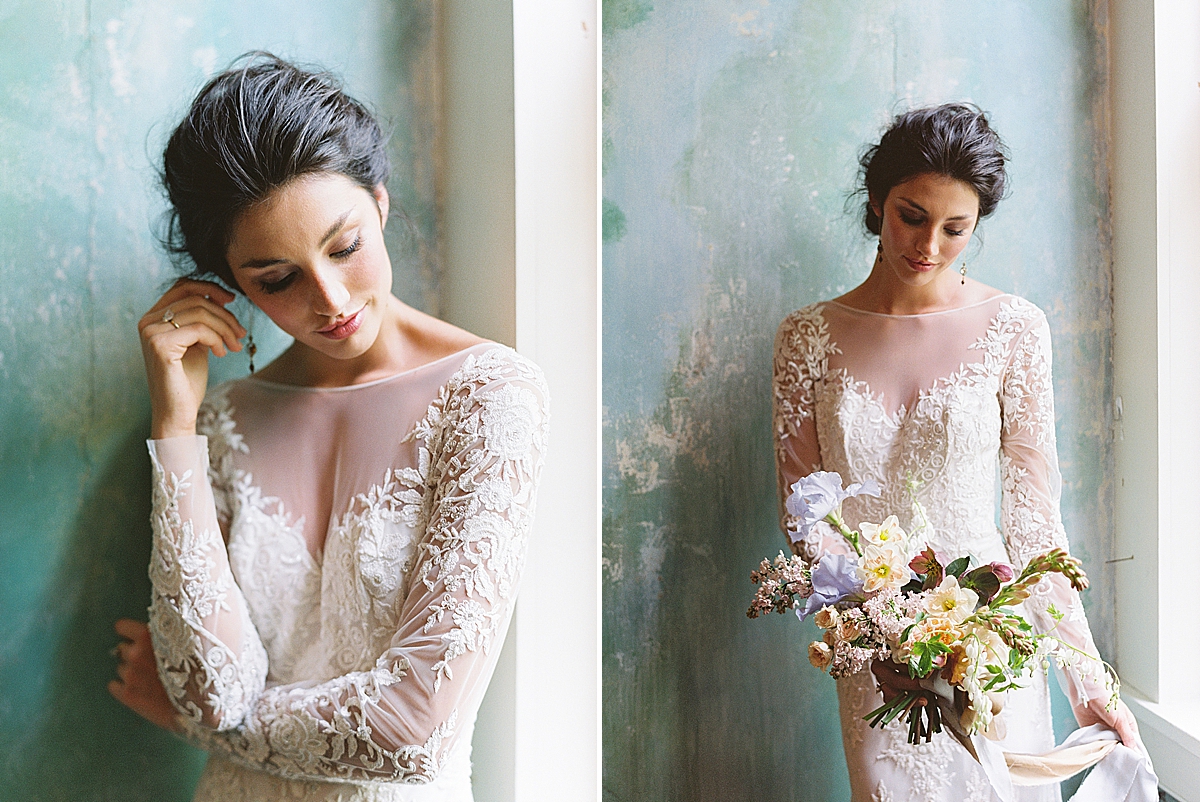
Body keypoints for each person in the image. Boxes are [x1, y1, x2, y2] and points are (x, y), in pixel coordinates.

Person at [106, 53, 549, 802]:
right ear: (233, 285)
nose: (332, 298)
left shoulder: (489, 396)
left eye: (344, 247)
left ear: (379, 203)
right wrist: (175, 428)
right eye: (277, 279)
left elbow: (417, 728)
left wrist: (199, 725)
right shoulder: (222, 421)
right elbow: (210, 688)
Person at [771, 104, 1141, 801]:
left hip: (993, 643)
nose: (928, 246)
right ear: (877, 200)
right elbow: (804, 516)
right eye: (912, 216)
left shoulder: (1015, 329)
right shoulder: (806, 336)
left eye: (955, 228)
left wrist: (1088, 682)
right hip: (877, 657)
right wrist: (878, 631)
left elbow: (1036, 526)